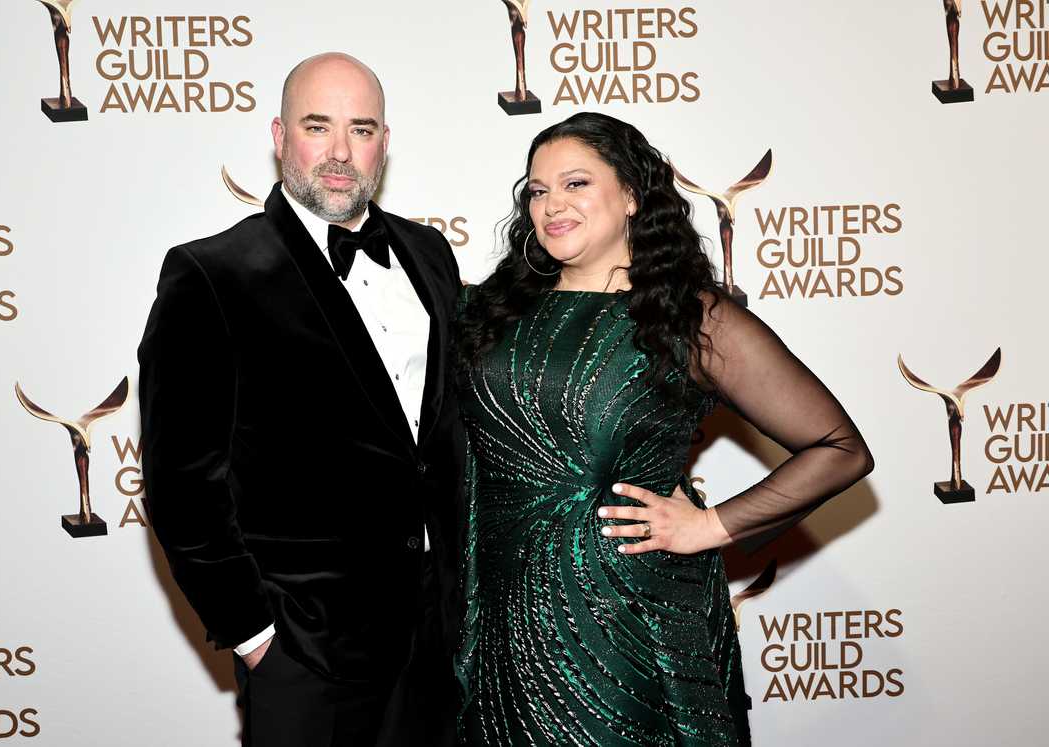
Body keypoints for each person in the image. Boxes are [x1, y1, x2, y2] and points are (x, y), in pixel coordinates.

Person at [453, 112, 874, 746]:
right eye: (537, 191)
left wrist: (711, 525)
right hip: (498, 617)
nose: (551, 205)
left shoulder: (693, 319)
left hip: (625, 617)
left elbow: (839, 449)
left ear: (629, 196)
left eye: (575, 184)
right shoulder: (491, 310)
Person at [138, 53, 464, 747]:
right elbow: (182, 486)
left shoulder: (429, 252)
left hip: (436, 642)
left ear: (385, 141)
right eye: (319, 127)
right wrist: (260, 640)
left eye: (363, 129)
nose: (342, 152)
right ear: (280, 136)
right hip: (307, 656)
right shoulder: (211, 274)